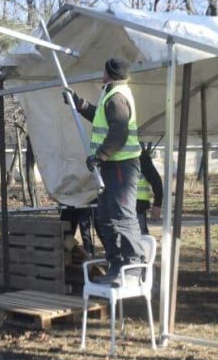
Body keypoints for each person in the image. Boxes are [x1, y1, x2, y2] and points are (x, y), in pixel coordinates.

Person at [67, 58, 145, 285]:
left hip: (121, 166)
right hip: (111, 166)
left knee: (122, 215)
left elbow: (118, 134)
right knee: (104, 217)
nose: (100, 72)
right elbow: (101, 119)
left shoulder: (117, 98)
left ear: (109, 73)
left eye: (103, 69)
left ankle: (133, 267)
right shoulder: (110, 95)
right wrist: (80, 104)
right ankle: (116, 266)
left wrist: (99, 156)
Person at [137, 144, 163, 235]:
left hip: (138, 206)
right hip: (122, 205)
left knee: (140, 236)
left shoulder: (142, 159)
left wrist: (157, 204)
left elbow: (157, 182)